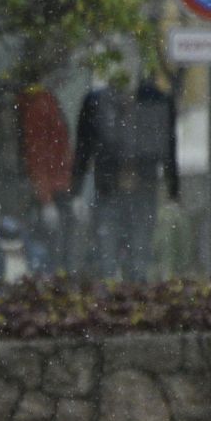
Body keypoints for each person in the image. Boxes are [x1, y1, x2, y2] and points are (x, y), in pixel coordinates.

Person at [70, 76, 179, 281]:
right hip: (111, 189)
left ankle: (131, 295)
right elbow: (83, 149)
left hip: (139, 188)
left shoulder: (155, 100)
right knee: (109, 257)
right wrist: (76, 190)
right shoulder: (97, 103)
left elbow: (168, 147)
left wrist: (173, 190)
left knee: (137, 256)